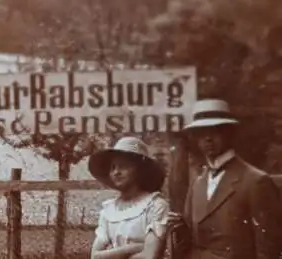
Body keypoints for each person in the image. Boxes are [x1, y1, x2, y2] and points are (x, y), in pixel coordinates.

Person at [167, 99, 282, 259]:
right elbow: (191, 240)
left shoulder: (255, 181)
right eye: (201, 133)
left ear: (229, 134)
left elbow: (268, 249)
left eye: (215, 131)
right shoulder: (198, 183)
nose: (207, 138)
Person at [89, 136, 169, 259]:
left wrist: (111, 254)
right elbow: (95, 256)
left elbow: (150, 256)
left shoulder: (155, 205)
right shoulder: (108, 210)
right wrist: (136, 247)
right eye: (113, 167)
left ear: (140, 170)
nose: (116, 172)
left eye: (123, 166)